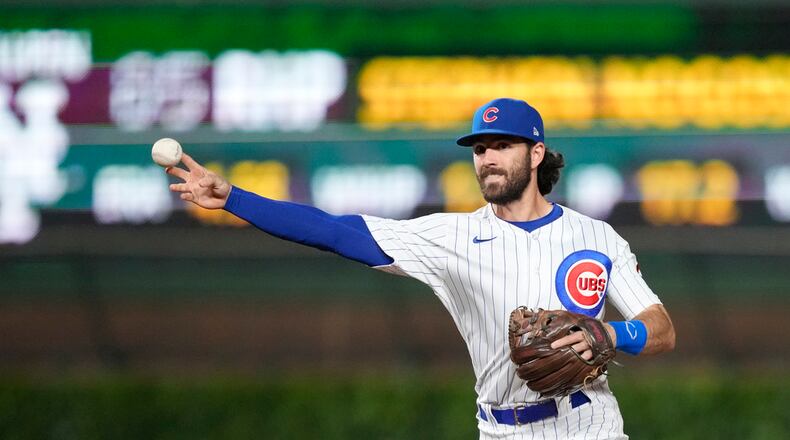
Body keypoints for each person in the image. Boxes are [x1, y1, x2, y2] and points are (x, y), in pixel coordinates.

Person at [166, 97, 675, 439]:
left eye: (501, 146)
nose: (487, 159)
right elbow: (334, 230)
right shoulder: (451, 237)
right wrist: (234, 197)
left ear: (536, 153)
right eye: (479, 149)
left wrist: (608, 334)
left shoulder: (596, 237)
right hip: (501, 429)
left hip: (588, 424)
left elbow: (661, 330)